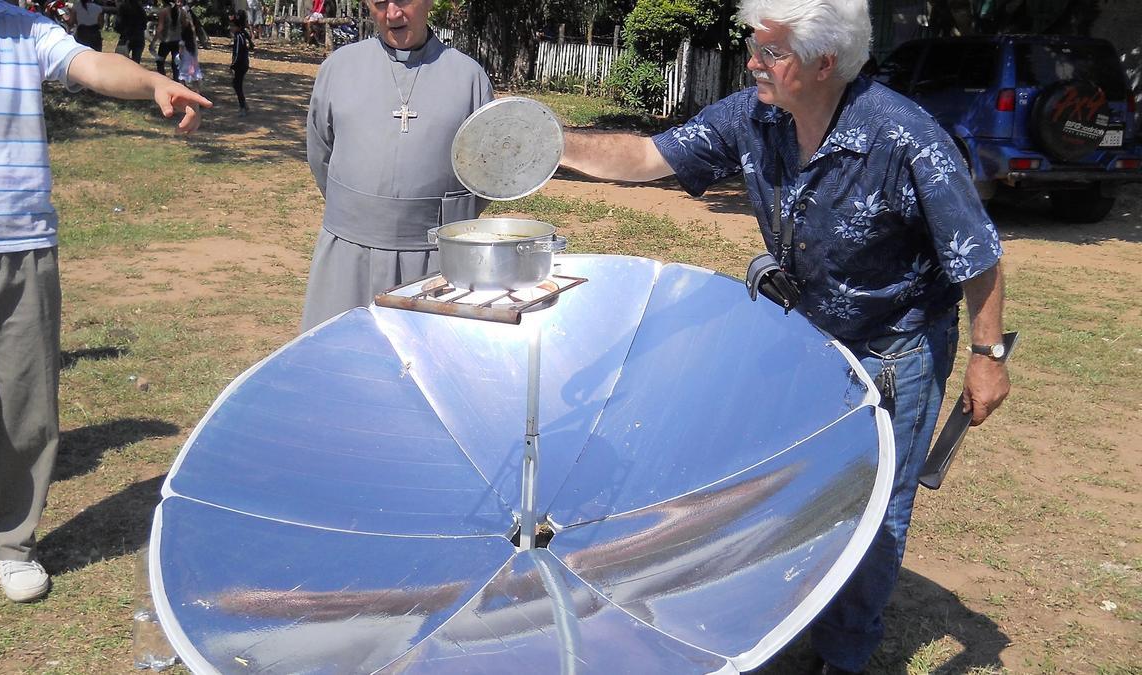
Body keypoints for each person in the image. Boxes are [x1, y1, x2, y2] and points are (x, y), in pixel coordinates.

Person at [557, 0, 1010, 672]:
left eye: (770, 51)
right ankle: (789, 606)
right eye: (754, 46)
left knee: (877, 507)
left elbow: (976, 253)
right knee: (799, 481)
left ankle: (843, 653)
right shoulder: (755, 114)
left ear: (824, 63)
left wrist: (986, 354)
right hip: (806, 337)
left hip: (894, 350)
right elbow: (649, 154)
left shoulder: (905, 138)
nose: (751, 61)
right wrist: (551, 143)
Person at [0, 0, 210, 603]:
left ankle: (12, 542)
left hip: (22, 247)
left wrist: (151, 83)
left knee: (24, 406)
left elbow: (92, 65)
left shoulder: (25, 26)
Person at [302, 0, 493, 330]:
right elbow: (320, 152)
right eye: (379, 3)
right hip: (349, 255)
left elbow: (486, 175)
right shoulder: (339, 68)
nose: (392, 15)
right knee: (344, 360)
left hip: (434, 261)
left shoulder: (468, 78)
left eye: (403, 1)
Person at [151, 0, 182, 80]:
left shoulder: (164, 12)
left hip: (166, 42)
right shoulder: (181, 11)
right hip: (178, 41)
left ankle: (163, 80)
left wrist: (153, 43)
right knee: (176, 63)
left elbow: (159, 29)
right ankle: (177, 81)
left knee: (160, 61)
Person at [228, 15, 253, 116]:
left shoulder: (238, 37)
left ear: (237, 27)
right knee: (236, 85)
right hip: (243, 64)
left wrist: (232, 66)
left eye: (233, 26)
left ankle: (243, 107)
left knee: (237, 86)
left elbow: (237, 53)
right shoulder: (241, 35)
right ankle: (244, 105)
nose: (231, 28)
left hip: (240, 66)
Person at [176, 1, 200, 90]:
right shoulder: (191, 31)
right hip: (192, 51)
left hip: (186, 52)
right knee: (194, 74)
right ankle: (197, 96)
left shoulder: (184, 11)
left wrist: (180, 53)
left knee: (183, 74)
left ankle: (182, 93)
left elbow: (181, 47)